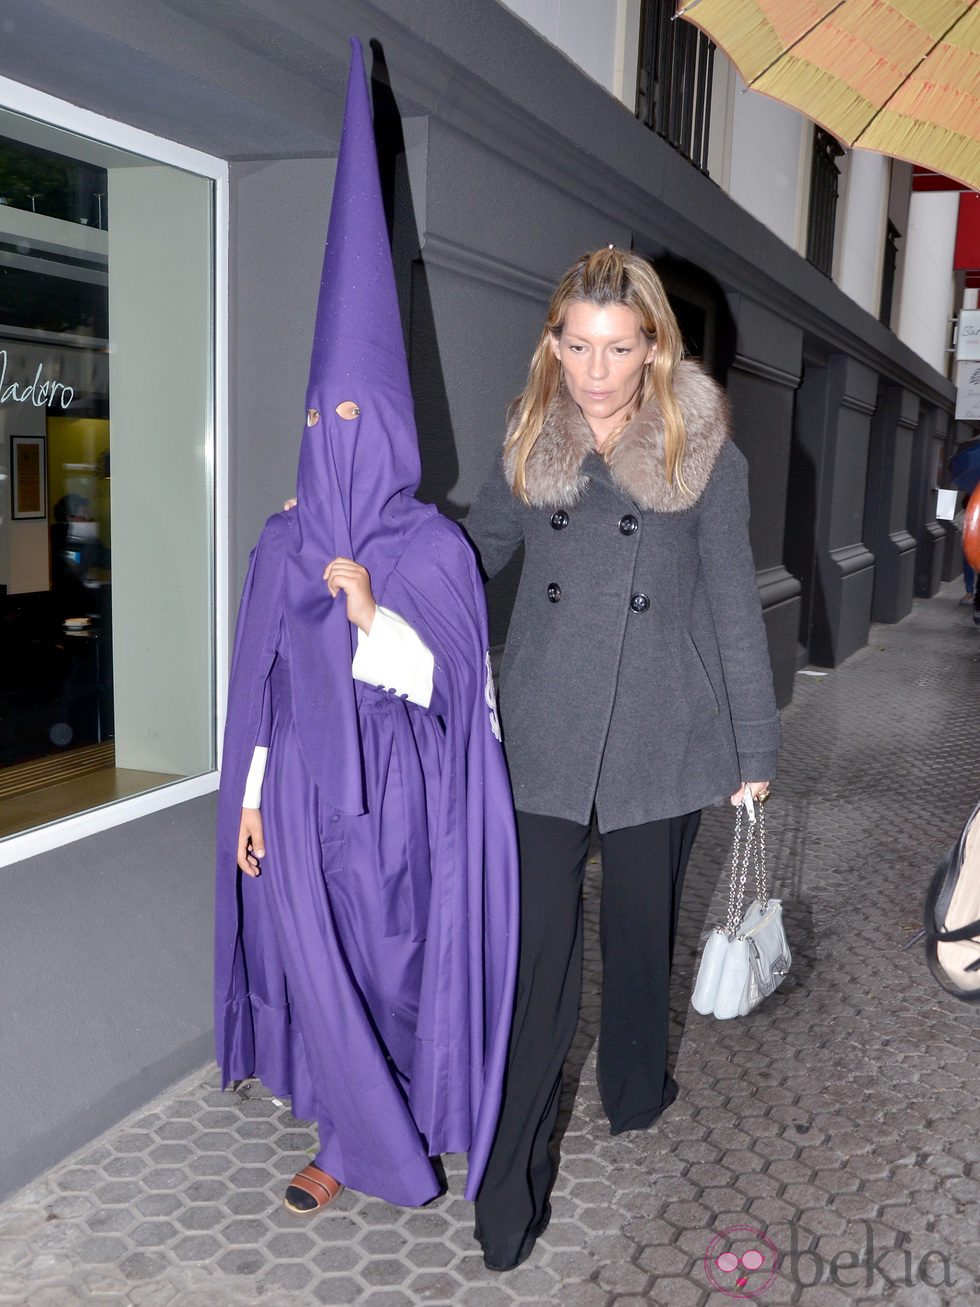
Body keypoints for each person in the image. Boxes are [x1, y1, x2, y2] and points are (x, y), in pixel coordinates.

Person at [214, 40, 518, 1215]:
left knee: (390, 964)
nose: (330, 432)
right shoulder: (278, 539)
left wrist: (369, 615)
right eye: (314, 413)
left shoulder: (431, 546)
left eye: (352, 412)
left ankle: (403, 1112)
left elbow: (454, 687)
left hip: (397, 797)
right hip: (294, 796)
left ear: (388, 422)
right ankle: (350, 1140)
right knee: (314, 962)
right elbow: (260, 687)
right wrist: (246, 794)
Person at [464, 246, 781, 1271]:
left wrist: (752, 744)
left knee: (640, 938)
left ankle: (635, 1087)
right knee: (534, 963)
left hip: (662, 731)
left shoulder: (701, 452)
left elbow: (731, 601)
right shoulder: (527, 439)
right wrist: (364, 539)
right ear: (551, 342)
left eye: (618, 347)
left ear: (652, 347)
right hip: (547, 735)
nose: (595, 369)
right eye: (577, 345)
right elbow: (470, 555)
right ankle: (506, 1190)